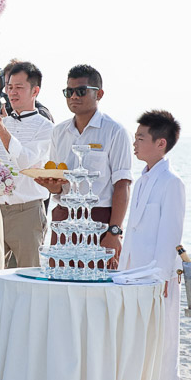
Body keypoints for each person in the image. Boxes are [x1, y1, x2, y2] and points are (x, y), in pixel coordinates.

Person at [118, 110, 186, 380]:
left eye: (140, 138)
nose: (134, 143)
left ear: (161, 143)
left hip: (156, 273)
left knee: (164, 334)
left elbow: (170, 234)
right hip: (132, 271)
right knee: (135, 333)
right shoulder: (144, 177)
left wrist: (163, 276)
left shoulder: (172, 183)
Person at [35, 65, 132, 269]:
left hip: (100, 219)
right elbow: (59, 183)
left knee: (99, 287)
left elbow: (122, 185)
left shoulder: (114, 131)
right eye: (69, 92)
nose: (74, 97)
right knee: (60, 284)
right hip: (63, 217)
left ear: (99, 94)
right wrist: (52, 186)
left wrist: (114, 232)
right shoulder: (59, 132)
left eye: (81, 91)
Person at [0, 60, 53, 268]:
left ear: (35, 91)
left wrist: (2, 132)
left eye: (19, 87)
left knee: (29, 275)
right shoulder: (1, 123)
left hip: (28, 213)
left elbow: (26, 161)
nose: (12, 93)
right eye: (9, 87)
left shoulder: (47, 128)